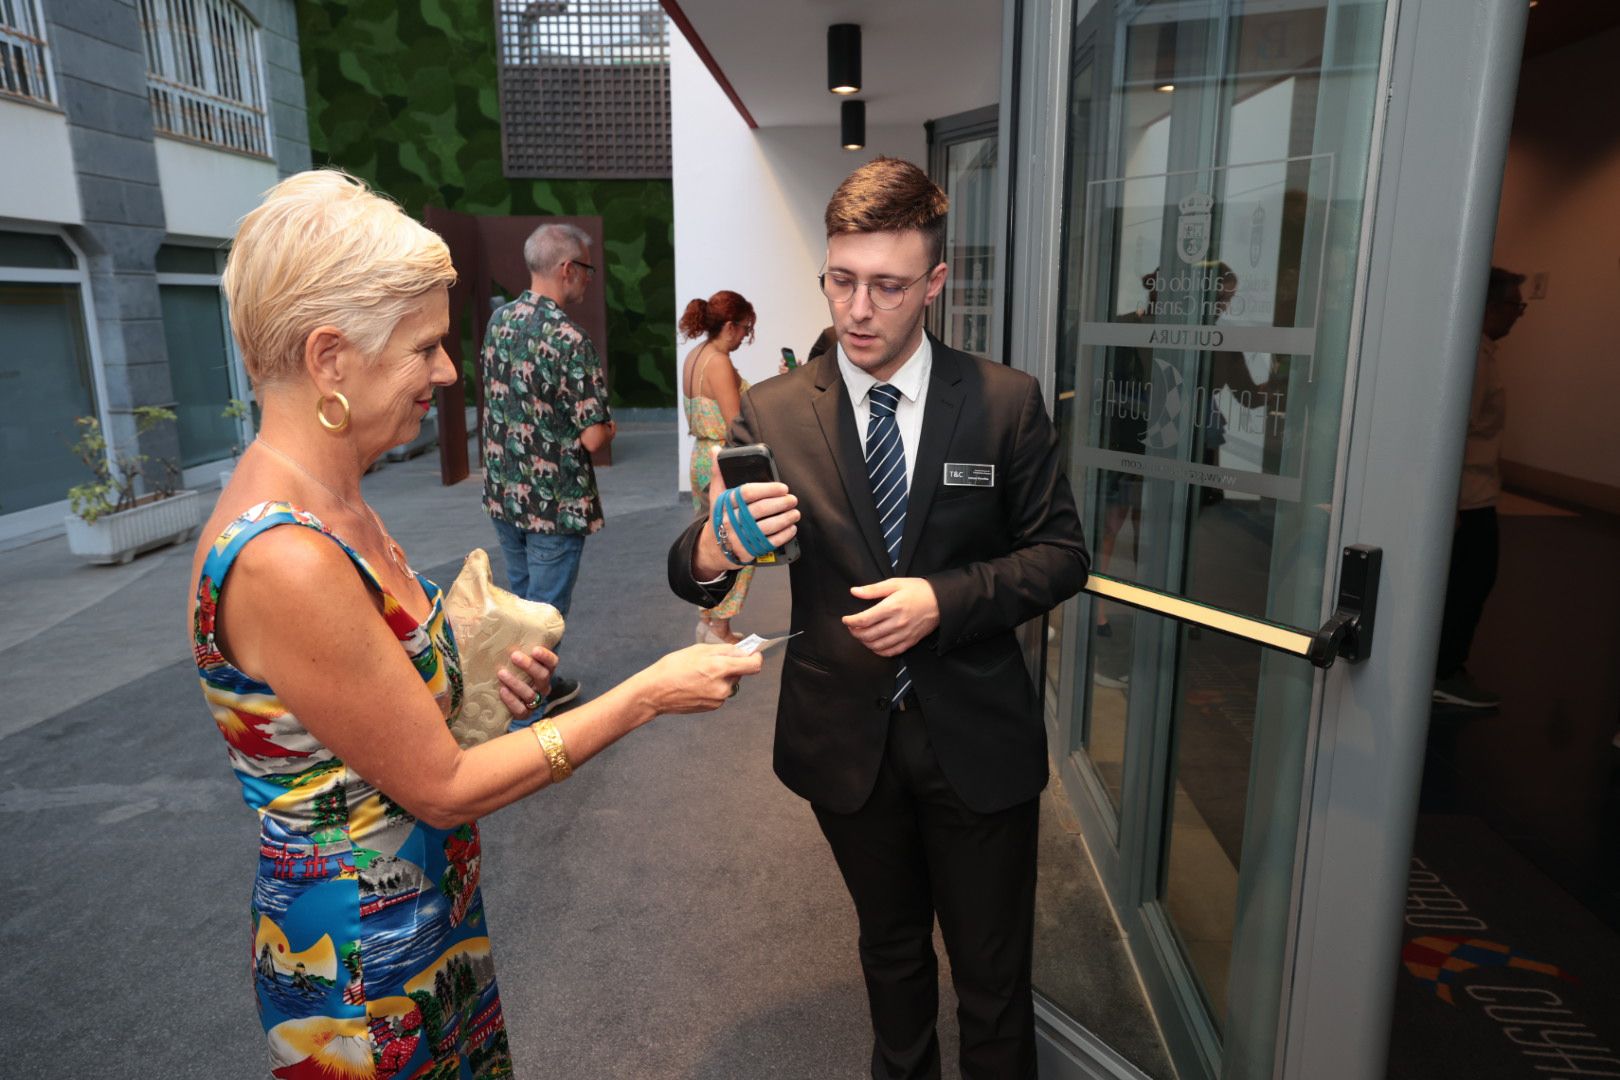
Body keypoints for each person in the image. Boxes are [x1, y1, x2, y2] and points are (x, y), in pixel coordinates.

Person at [192, 170, 761, 1079]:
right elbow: (444, 787)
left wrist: (471, 688)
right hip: (361, 966)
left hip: (422, 913)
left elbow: (376, 725)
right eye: (423, 349)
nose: (448, 373)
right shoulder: (284, 557)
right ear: (329, 358)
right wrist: (647, 695)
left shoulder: (337, 502)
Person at [668, 157, 1090, 1079]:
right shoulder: (776, 412)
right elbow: (691, 565)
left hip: (977, 735)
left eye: (888, 287)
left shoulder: (1004, 403)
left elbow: (1063, 556)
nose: (858, 310)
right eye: (842, 280)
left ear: (935, 283)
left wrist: (945, 599)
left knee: (991, 978)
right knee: (890, 958)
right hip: (844, 741)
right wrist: (717, 546)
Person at [481, 222, 616, 715]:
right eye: (587, 270)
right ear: (567, 268)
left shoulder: (500, 321)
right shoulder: (568, 339)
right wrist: (609, 426)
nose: (588, 279)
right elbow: (593, 436)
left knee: (522, 606)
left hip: (503, 494)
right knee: (545, 619)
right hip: (552, 503)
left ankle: (537, 687)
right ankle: (526, 721)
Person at [1433, 265, 1526, 709]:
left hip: (1473, 494)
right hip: (1467, 500)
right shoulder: (1472, 356)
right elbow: (1454, 432)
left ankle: (1443, 666)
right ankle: (1442, 671)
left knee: (1467, 584)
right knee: (1469, 584)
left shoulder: (1481, 351)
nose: (1519, 315)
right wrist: (1446, 505)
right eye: (1516, 306)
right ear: (1490, 307)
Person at [681, 290, 758, 645]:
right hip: (723, 460)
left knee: (709, 541)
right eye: (744, 328)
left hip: (701, 455)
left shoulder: (696, 355)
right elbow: (735, 422)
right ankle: (720, 629)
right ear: (729, 325)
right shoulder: (720, 362)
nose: (745, 337)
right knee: (737, 541)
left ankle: (708, 620)